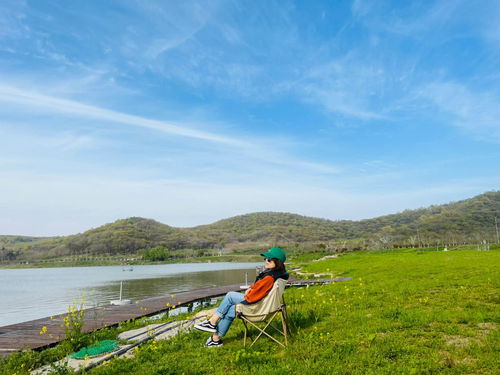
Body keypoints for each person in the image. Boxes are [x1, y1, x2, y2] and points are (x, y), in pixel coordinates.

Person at [194, 247, 289, 347]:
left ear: (277, 262)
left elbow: (252, 296)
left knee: (230, 295)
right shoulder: (279, 274)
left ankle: (212, 322)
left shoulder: (269, 277)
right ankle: (215, 339)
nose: (266, 261)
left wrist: (249, 291)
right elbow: (258, 288)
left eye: (269, 260)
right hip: (266, 305)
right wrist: (251, 289)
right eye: (265, 259)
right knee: (231, 308)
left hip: (259, 308)